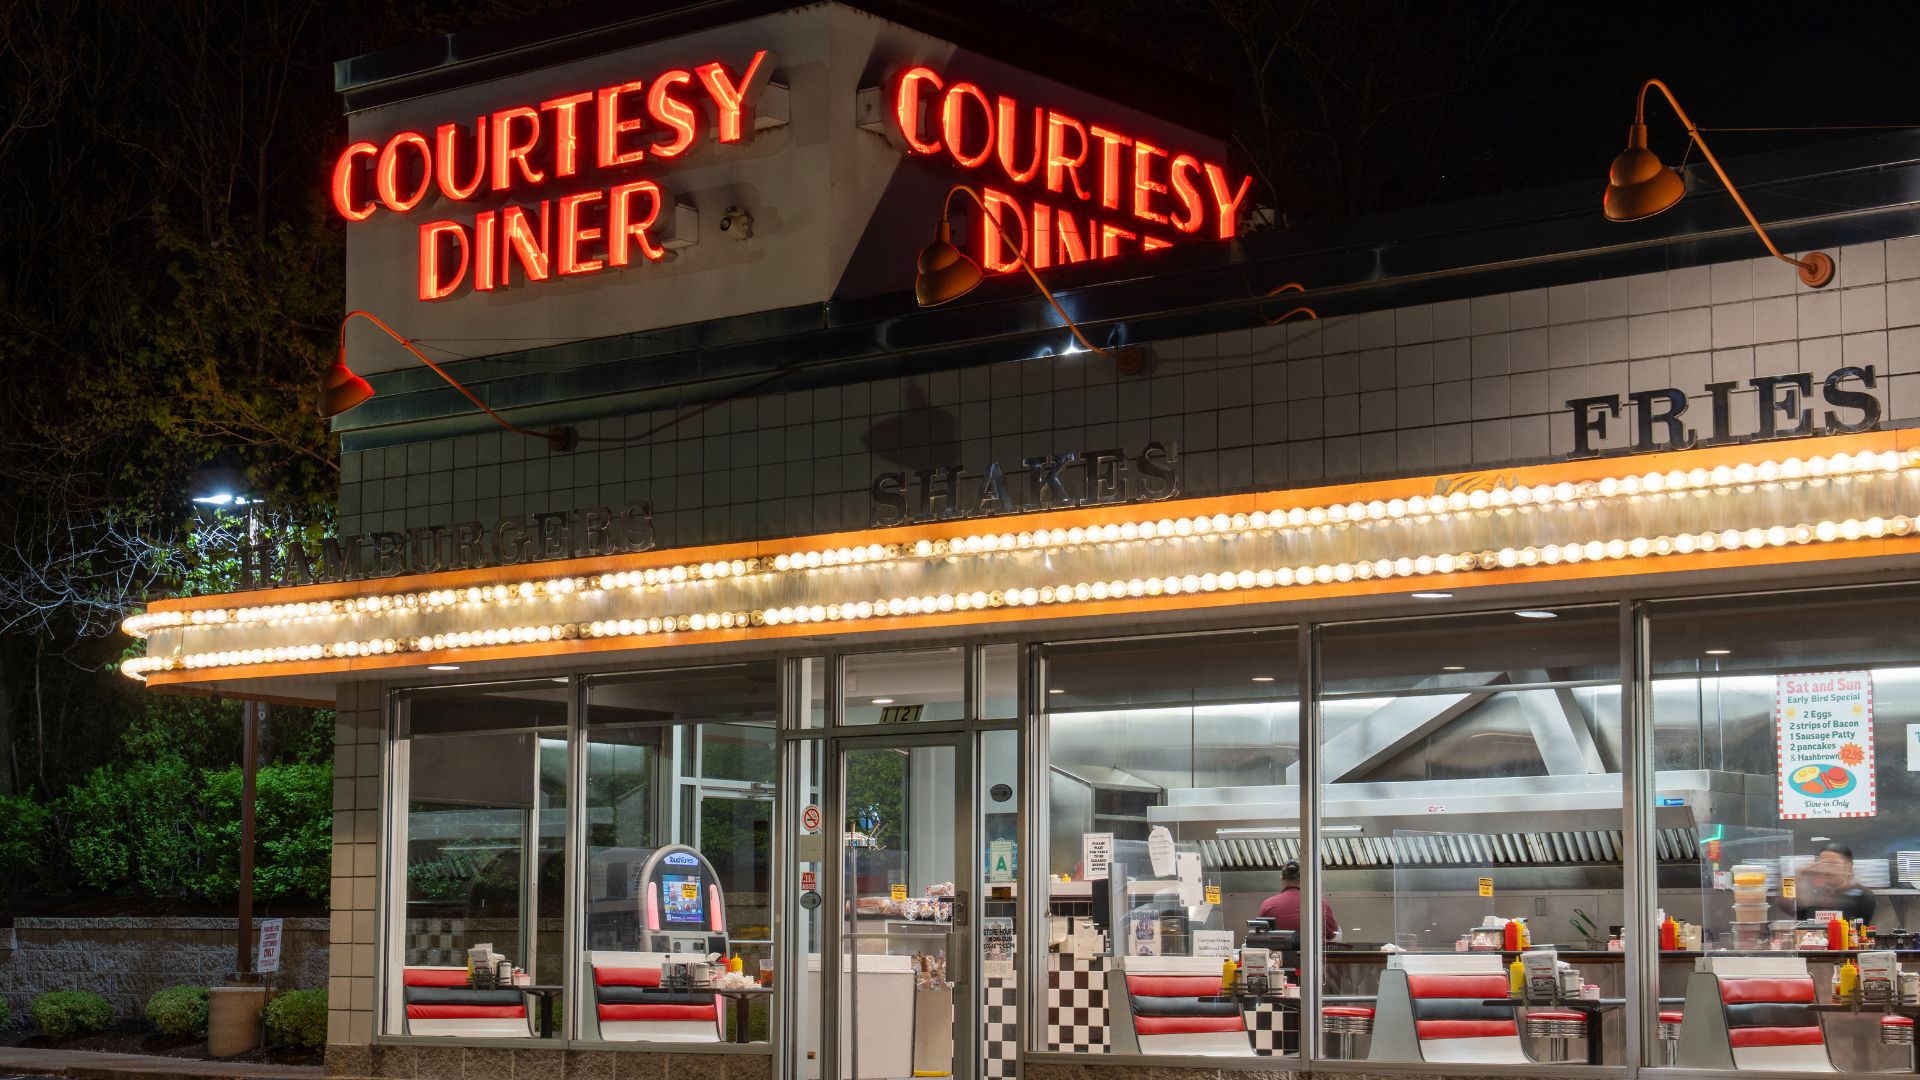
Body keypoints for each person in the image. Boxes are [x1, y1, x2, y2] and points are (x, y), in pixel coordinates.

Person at [1795, 841, 1877, 924]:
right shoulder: (1816, 894)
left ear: (1848, 867)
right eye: (1823, 865)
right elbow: (1796, 913)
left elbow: (1857, 926)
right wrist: (1802, 875)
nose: (1826, 870)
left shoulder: (1862, 894)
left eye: (1832, 865)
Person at [1257, 859, 1339, 939]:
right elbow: (1332, 934)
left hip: (1278, 952)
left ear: (1282, 879)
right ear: (1306, 879)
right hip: (1309, 952)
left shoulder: (1267, 905)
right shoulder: (1319, 904)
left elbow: (1259, 936)